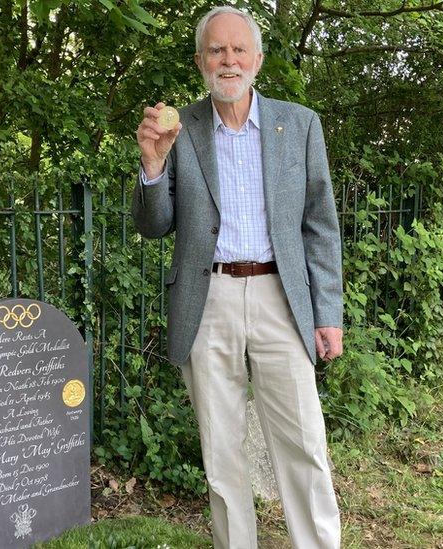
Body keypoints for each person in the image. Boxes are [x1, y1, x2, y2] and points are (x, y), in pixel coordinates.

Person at [132, 6, 343, 548]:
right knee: (222, 455)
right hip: (209, 302)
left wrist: (328, 314)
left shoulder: (299, 125)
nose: (228, 60)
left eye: (238, 49)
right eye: (216, 50)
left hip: (282, 299)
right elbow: (153, 226)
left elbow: (320, 226)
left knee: (303, 444)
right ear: (201, 61)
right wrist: (153, 167)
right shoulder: (181, 130)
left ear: (258, 59)